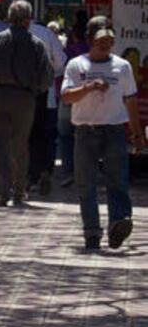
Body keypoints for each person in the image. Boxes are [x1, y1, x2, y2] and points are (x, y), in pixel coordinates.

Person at [61, 16, 145, 250]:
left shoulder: (122, 66)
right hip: (85, 131)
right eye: (100, 40)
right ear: (90, 40)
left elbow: (130, 101)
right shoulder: (77, 65)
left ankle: (118, 224)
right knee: (86, 183)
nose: (105, 44)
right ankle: (91, 232)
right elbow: (66, 96)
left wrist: (137, 135)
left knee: (117, 181)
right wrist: (89, 87)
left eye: (109, 40)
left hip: (114, 130)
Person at [0, 0, 54, 206]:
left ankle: (1, 192)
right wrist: (35, 91)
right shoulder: (36, 44)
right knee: (20, 146)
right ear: (28, 20)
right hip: (24, 98)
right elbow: (46, 77)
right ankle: (19, 190)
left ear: (9, 19)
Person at [26, 16, 69, 195]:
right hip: (44, 94)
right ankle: (43, 171)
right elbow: (60, 61)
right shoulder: (46, 34)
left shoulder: (3, 35)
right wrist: (52, 74)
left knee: (20, 136)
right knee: (44, 135)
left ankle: (25, 175)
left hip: (15, 94)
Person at [58, 12, 90, 187]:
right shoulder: (95, 54)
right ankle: (84, 172)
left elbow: (58, 70)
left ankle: (69, 171)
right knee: (84, 136)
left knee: (66, 136)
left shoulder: (69, 52)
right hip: (89, 99)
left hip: (68, 97)